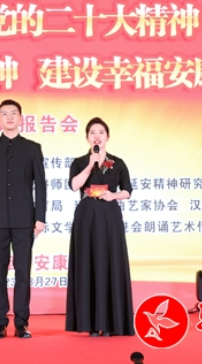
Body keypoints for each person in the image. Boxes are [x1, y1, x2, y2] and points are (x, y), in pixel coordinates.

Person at [0, 99, 46, 339]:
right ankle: (0, 323)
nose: (9, 117)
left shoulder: (33, 148)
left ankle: (22, 323)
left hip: (25, 220)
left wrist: (40, 217)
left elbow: (41, 186)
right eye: (4, 114)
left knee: (23, 273)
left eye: (13, 113)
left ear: (21, 118)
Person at [65, 117, 135, 336]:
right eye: (93, 133)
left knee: (111, 262)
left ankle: (112, 323)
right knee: (88, 263)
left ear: (108, 137)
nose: (97, 136)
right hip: (87, 216)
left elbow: (127, 191)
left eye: (101, 132)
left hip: (109, 216)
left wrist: (113, 195)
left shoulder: (118, 163)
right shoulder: (80, 162)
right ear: (87, 138)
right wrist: (90, 165)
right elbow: (74, 185)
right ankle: (91, 324)